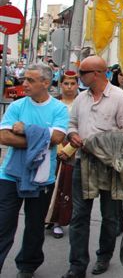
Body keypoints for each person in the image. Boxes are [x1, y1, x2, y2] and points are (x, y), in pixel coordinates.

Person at [63, 56, 123, 278]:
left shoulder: (121, 98)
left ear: (97, 74)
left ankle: (104, 256)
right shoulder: (81, 99)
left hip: (110, 165)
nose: (78, 76)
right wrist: (73, 135)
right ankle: (77, 266)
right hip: (83, 163)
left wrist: (98, 144)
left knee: (110, 216)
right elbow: (71, 125)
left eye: (82, 73)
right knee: (79, 216)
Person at [0, 63, 68, 277]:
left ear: (45, 83)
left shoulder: (58, 109)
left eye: (30, 80)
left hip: (42, 178)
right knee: (3, 225)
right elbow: (4, 136)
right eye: (25, 79)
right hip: (10, 175)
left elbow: (57, 138)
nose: (24, 83)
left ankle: (27, 266)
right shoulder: (17, 106)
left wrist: (25, 130)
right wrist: (40, 138)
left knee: (34, 226)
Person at [46, 71, 80, 239]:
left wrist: (69, 149)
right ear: (61, 85)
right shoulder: (54, 103)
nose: (69, 87)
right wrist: (57, 145)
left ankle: (59, 220)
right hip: (53, 148)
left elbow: (81, 128)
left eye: (72, 84)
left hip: (73, 150)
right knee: (48, 185)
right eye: (66, 83)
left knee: (65, 186)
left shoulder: (81, 103)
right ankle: (47, 217)